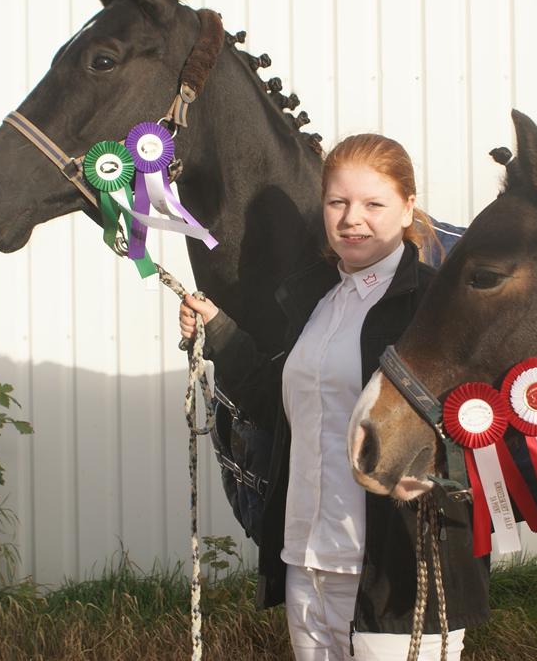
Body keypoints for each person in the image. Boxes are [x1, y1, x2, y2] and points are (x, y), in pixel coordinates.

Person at [179, 134, 489, 660]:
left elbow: (475, 426)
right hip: (307, 559)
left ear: (408, 206)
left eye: (373, 204)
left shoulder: (438, 305)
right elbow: (274, 411)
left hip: (397, 570)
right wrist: (220, 332)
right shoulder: (315, 301)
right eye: (338, 202)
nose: (352, 219)